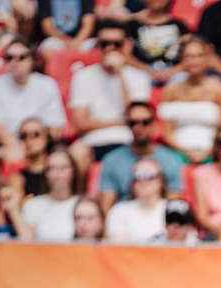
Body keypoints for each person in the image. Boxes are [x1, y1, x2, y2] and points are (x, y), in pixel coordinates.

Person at [68, 19, 151, 179]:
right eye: (105, 43)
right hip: (93, 141)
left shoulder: (139, 77)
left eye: (116, 44)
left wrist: (120, 74)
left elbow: (136, 118)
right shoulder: (83, 76)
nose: (110, 49)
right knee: (75, 153)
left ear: (126, 45)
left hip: (127, 140)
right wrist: (119, 122)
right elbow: (81, 123)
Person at [0, 36, 66, 164]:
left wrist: (36, 142)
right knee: (14, 155)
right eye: (10, 57)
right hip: (13, 144)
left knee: (60, 160)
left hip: (42, 143)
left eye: (22, 57)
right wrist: (23, 145)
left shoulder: (47, 84)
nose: (16, 61)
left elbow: (55, 128)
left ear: (32, 59)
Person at [99, 100, 182, 210]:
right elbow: (106, 209)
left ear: (154, 123)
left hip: (158, 219)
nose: (139, 127)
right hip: (124, 221)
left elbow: (173, 206)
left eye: (145, 122)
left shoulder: (171, 160)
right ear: (127, 125)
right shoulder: (111, 160)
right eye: (133, 122)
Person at [159, 35, 221, 165]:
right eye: (189, 56)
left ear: (207, 58)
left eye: (199, 56)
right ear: (182, 59)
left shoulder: (219, 89)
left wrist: (207, 151)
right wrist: (187, 151)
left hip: (212, 150)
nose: (194, 61)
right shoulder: (170, 91)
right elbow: (167, 134)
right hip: (177, 151)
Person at [15, 144, 81, 240]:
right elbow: (26, 241)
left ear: (73, 170)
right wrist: (13, 209)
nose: (57, 173)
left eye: (63, 167)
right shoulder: (33, 204)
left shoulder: (83, 204)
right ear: (45, 173)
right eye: (51, 168)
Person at [125, 0, 189, 85]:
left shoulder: (179, 25)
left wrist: (173, 71)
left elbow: (190, 54)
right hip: (142, 70)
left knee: (183, 79)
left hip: (174, 71)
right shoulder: (133, 25)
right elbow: (126, 55)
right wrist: (147, 71)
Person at [104, 155, 167, 240]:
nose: (143, 180)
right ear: (132, 183)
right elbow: (117, 249)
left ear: (161, 181)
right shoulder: (119, 211)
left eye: (151, 175)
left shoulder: (173, 210)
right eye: (137, 176)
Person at [6, 117, 52, 199]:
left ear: (47, 137)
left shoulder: (59, 171)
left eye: (36, 134)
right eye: (23, 135)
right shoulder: (17, 179)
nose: (29, 139)